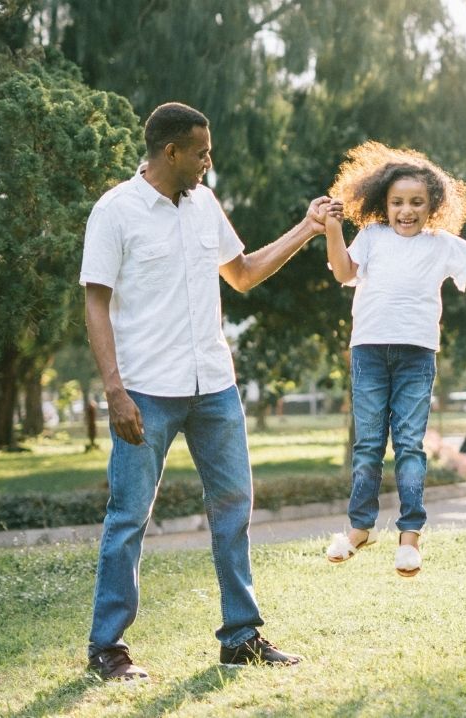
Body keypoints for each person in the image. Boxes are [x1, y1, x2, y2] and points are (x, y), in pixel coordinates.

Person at [80, 102, 327, 679]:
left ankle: (241, 637)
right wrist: (114, 391)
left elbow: (241, 273)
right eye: (201, 152)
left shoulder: (204, 205)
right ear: (171, 151)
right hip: (146, 391)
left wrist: (307, 228)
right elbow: (95, 302)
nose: (208, 163)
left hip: (214, 386)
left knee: (234, 509)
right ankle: (107, 647)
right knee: (129, 517)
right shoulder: (116, 211)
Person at [321, 141, 466, 577]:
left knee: (409, 444)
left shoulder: (441, 244)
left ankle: (410, 538)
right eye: (397, 203)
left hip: (416, 354)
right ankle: (359, 528)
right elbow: (343, 272)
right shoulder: (372, 237)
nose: (405, 211)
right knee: (368, 445)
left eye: (416, 203)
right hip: (369, 350)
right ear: (383, 205)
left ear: (433, 206)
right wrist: (333, 229)